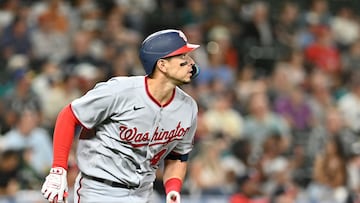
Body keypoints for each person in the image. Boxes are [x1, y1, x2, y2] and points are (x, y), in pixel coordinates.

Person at [40, 29, 201, 203]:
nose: (191, 63)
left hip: (144, 193)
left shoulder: (188, 107)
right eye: (183, 58)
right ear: (162, 65)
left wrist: (173, 190)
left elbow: (177, 157)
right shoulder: (120, 91)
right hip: (99, 190)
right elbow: (69, 115)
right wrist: (58, 169)